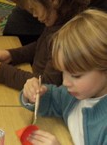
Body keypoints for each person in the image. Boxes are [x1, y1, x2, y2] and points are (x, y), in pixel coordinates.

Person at [21, 9, 107, 145]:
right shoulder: (75, 94)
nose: (65, 82)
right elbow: (54, 99)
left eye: (76, 75)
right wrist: (33, 95)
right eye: (63, 72)